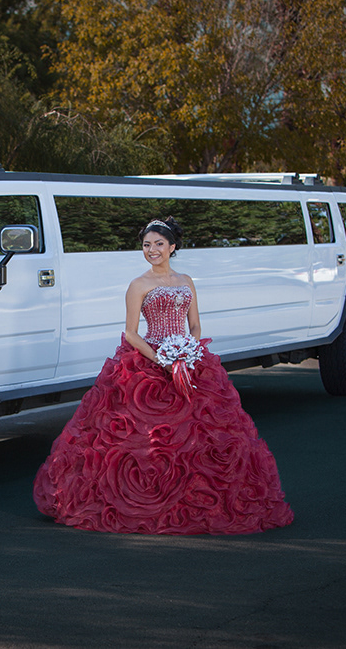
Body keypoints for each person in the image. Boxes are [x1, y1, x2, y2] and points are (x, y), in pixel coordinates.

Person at [33, 217, 294, 535]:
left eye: (158, 244)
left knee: (205, 433)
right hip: (150, 361)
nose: (152, 250)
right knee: (145, 436)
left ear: (172, 247)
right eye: (146, 245)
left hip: (189, 359)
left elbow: (195, 324)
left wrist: (189, 352)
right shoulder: (138, 284)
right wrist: (163, 361)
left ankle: (197, 501)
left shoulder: (186, 280)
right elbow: (131, 333)